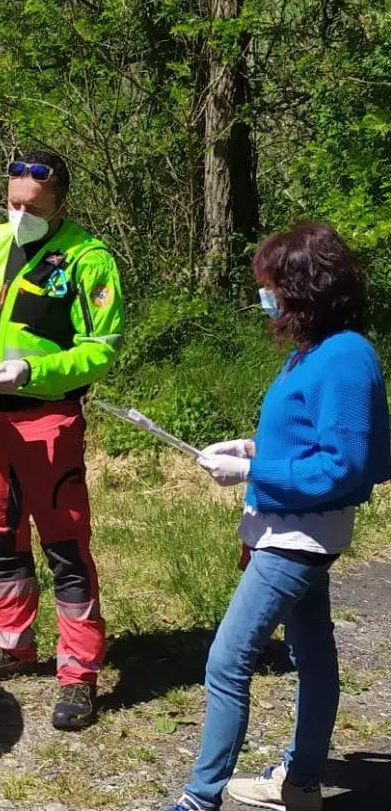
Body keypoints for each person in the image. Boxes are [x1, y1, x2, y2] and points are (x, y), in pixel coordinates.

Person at [164, 222, 390, 811]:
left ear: (302, 286)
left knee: (228, 660)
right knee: (313, 652)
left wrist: (252, 475)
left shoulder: (345, 357)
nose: (264, 298)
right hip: (293, 526)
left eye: (270, 286)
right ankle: (303, 782)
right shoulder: (311, 353)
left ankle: (199, 799)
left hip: (300, 535)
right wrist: (251, 449)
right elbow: (308, 441)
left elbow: (345, 465)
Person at [0, 150, 125, 730]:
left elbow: (101, 346)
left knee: (63, 543)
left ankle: (79, 672)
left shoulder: (88, 260)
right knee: (0, 534)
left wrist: (36, 372)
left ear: (60, 201)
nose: (21, 215)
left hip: (47, 418)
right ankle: (14, 644)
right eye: (14, 203)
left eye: (34, 207)